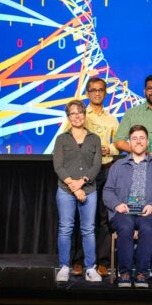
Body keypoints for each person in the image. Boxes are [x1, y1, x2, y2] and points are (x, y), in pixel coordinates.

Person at [65, 77, 119, 278]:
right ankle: (78, 261)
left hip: (105, 170)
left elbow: (120, 143)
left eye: (101, 90)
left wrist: (110, 148)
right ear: (88, 93)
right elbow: (64, 138)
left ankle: (103, 262)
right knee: (82, 217)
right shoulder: (80, 115)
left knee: (104, 218)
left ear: (105, 93)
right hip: (81, 174)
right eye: (93, 90)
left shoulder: (112, 119)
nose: (97, 93)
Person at [103, 125, 152, 288]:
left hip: (148, 211)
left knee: (147, 229)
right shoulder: (117, 166)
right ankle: (124, 273)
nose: (138, 141)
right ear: (129, 143)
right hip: (124, 212)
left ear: (147, 142)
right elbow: (108, 191)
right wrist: (117, 204)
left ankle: (142, 273)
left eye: (141, 138)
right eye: (134, 138)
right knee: (125, 228)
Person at [53, 100, 102, 283]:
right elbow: (58, 165)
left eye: (80, 112)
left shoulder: (94, 139)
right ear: (68, 117)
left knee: (88, 230)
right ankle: (64, 266)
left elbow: (96, 165)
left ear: (85, 114)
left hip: (88, 190)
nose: (77, 116)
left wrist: (81, 183)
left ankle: (91, 268)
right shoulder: (62, 139)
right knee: (65, 229)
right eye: (73, 113)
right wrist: (73, 187)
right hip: (65, 190)